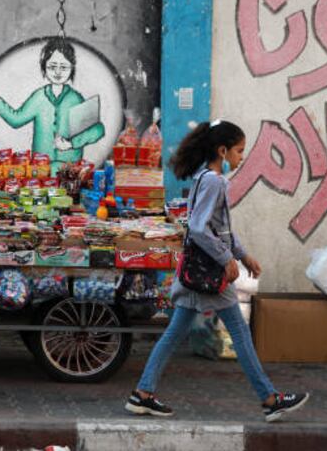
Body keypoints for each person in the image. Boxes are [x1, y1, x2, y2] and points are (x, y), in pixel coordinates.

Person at [124, 120, 308, 423]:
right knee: (239, 333)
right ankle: (270, 399)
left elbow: (215, 228)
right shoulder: (215, 181)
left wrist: (243, 255)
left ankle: (142, 394)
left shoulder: (203, 177)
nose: (241, 158)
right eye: (238, 151)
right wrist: (226, 259)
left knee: (174, 334)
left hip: (198, 271)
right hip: (210, 273)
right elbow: (199, 228)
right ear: (222, 151)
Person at [0, 37, 104, 172]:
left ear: (72, 68)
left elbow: (97, 129)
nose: (58, 72)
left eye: (64, 67)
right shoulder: (39, 97)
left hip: (69, 170)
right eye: (52, 67)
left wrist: (72, 144)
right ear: (44, 67)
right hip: (41, 170)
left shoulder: (75, 98)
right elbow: (16, 119)